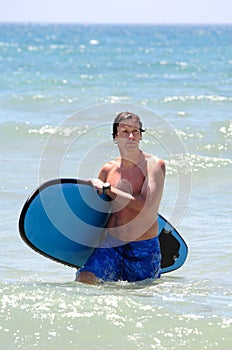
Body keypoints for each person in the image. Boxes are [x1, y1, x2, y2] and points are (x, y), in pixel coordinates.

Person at [76, 112, 166, 284]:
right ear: (115, 135)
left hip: (143, 246)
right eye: (125, 131)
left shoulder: (154, 166)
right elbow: (97, 211)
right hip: (112, 244)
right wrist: (90, 183)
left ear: (140, 136)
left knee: (140, 296)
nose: (131, 136)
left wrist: (111, 191)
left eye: (136, 131)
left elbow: (146, 207)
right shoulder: (107, 169)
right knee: (85, 278)